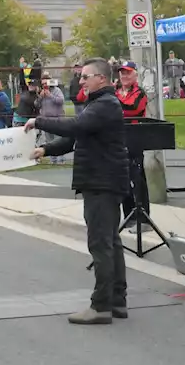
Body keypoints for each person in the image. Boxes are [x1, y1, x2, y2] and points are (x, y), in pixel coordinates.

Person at [26, 59, 130, 325]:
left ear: (102, 79)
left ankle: (101, 306)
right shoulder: (98, 105)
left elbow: (74, 127)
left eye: (85, 77)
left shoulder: (105, 105)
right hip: (103, 180)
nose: (81, 81)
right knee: (111, 242)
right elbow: (75, 138)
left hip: (102, 181)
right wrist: (47, 150)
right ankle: (117, 301)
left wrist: (39, 121)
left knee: (101, 244)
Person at [115, 61, 149, 219]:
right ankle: (128, 215)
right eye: (122, 72)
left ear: (135, 74)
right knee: (121, 178)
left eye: (128, 72)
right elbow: (83, 97)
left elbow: (133, 109)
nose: (124, 75)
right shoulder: (114, 92)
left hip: (134, 139)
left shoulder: (139, 93)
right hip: (116, 138)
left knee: (137, 177)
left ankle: (143, 216)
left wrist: (113, 105)